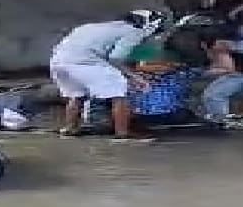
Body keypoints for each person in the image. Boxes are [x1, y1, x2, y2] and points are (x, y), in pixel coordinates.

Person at [49, 10, 167, 140]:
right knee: (120, 91)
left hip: (58, 62)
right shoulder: (133, 31)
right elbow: (115, 59)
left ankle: (69, 128)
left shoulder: (91, 27)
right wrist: (135, 77)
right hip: (85, 61)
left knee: (76, 95)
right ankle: (122, 133)